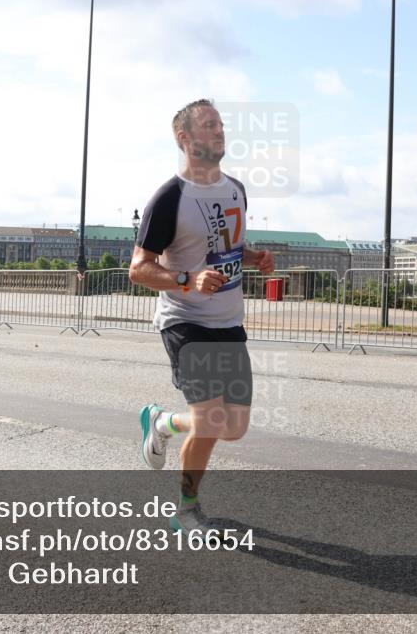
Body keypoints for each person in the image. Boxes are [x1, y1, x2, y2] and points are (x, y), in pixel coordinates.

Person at [129, 98, 275, 535]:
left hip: (228, 322)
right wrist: (187, 280)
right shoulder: (169, 197)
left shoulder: (235, 189)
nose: (219, 132)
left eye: (220, 125)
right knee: (212, 422)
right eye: (209, 125)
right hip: (185, 321)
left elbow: (226, 247)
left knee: (234, 428)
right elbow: (139, 268)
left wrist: (254, 258)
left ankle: (162, 422)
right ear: (185, 138)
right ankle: (186, 510)